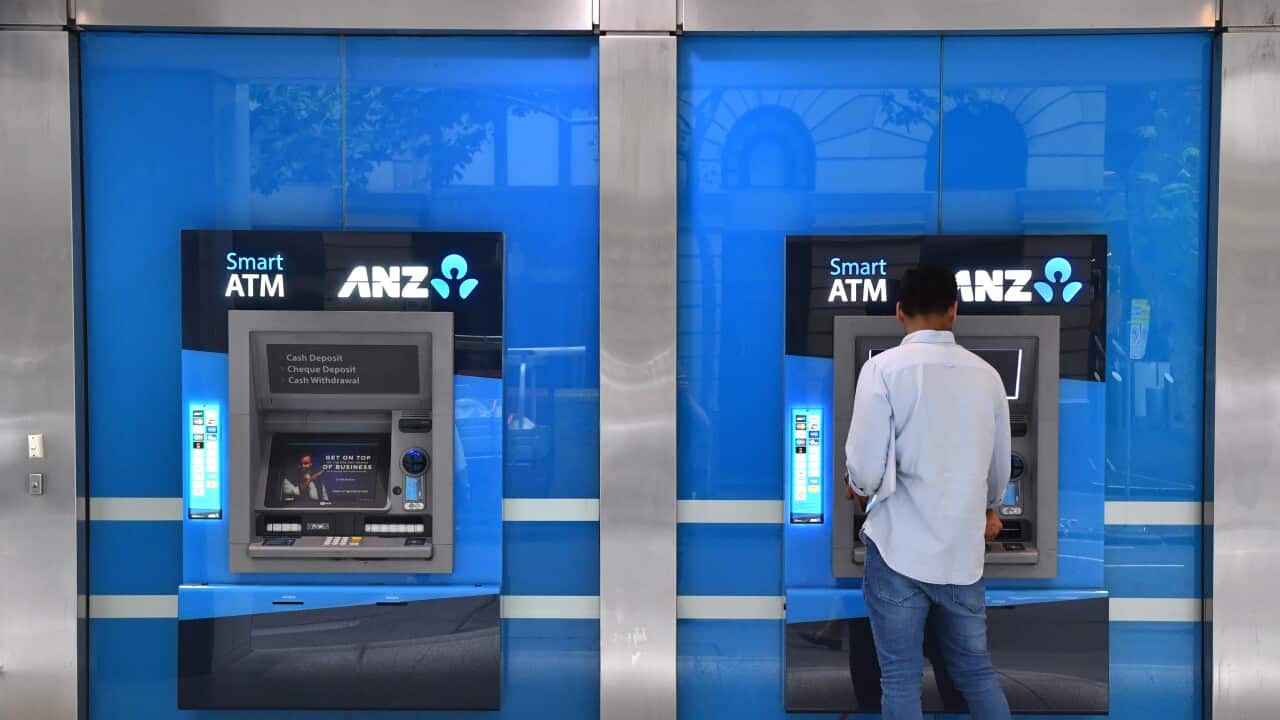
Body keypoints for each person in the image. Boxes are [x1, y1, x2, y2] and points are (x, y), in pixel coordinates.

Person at [843, 263, 1012, 720]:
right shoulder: (988, 376)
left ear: (899, 311)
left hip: (897, 551)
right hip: (961, 556)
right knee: (976, 673)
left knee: (900, 680)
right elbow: (999, 466)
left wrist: (858, 487)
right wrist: (990, 509)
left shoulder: (881, 370)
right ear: (954, 310)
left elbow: (864, 470)